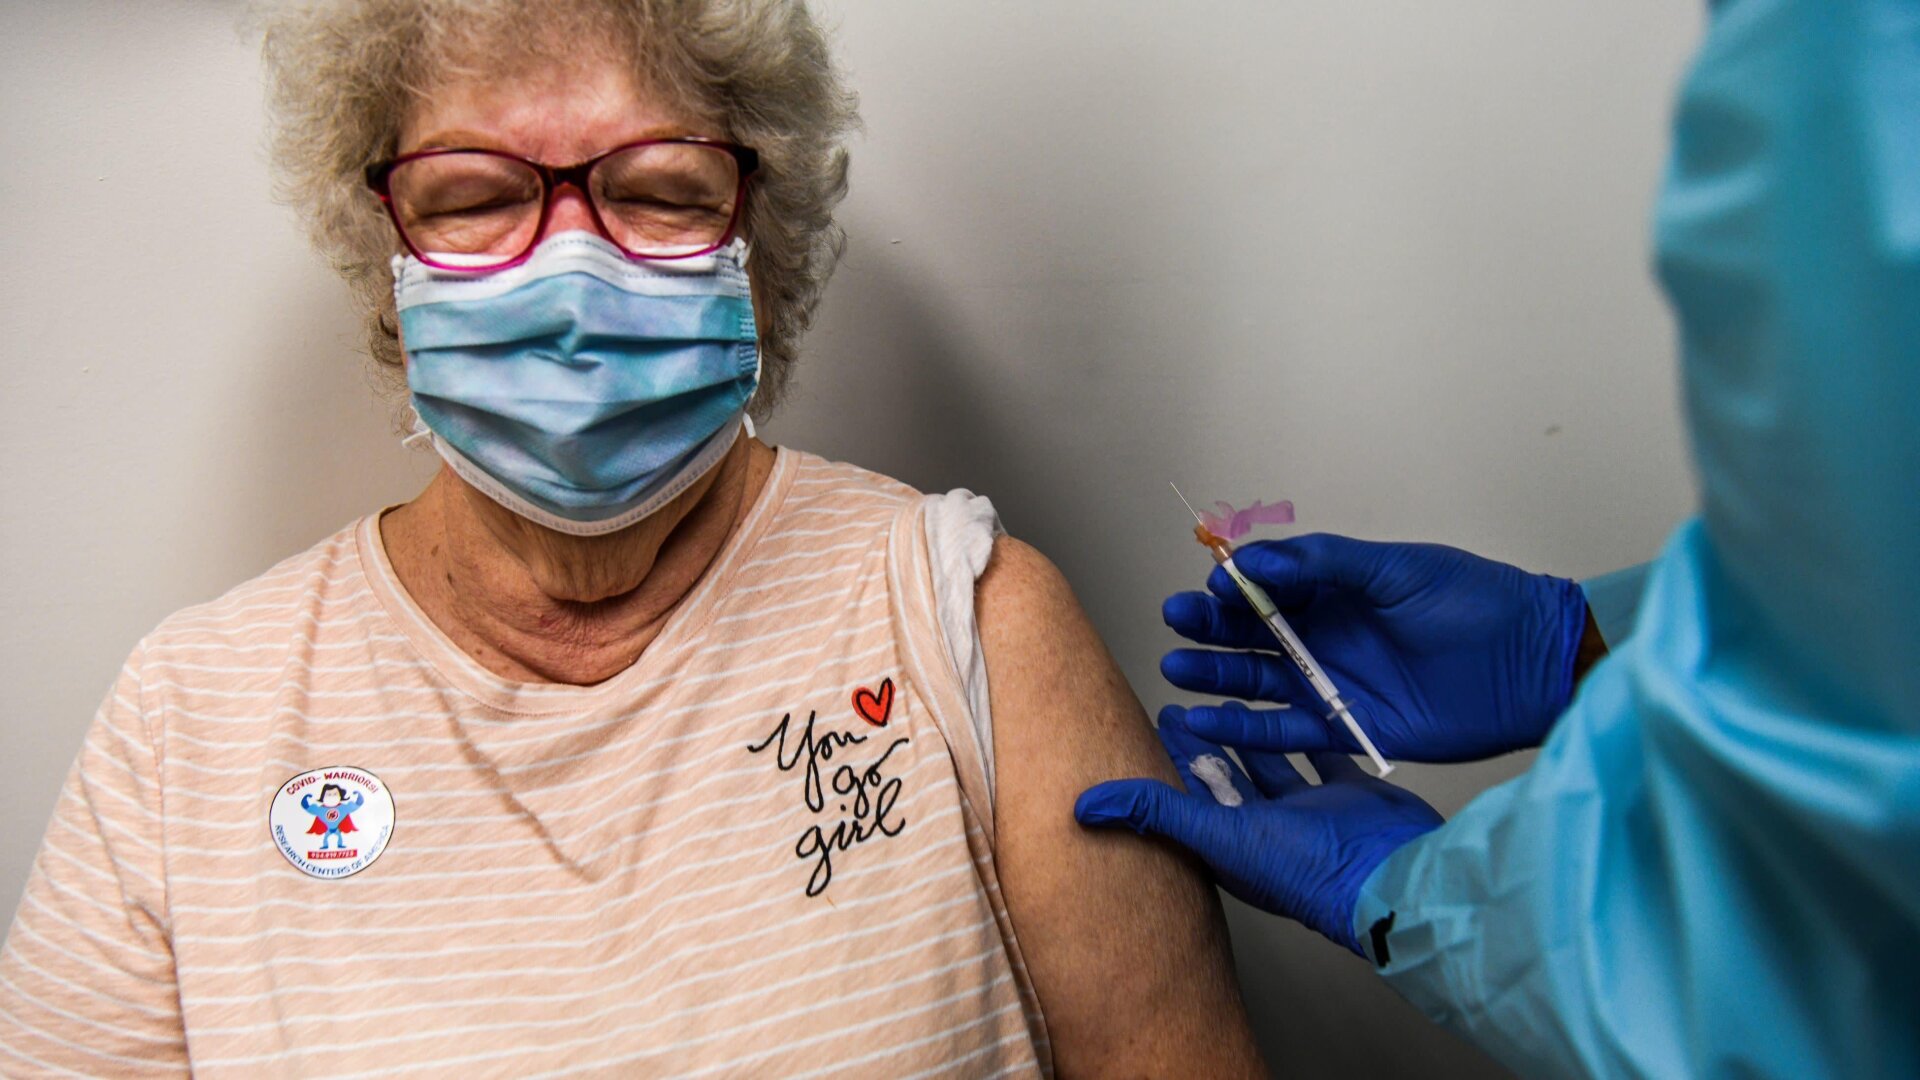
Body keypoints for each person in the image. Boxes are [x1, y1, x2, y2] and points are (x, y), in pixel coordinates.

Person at [0, 2, 1264, 1075]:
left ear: (752, 234)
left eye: (657, 193)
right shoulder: (191, 721)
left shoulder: (968, 621)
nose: (570, 288)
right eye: (479, 199)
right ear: (385, 244)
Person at [1079, 0, 1920, 1075]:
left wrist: (1407, 898)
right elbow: (1865, 604)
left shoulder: (1860, 65)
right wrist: (1575, 641)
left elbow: (1801, 974)